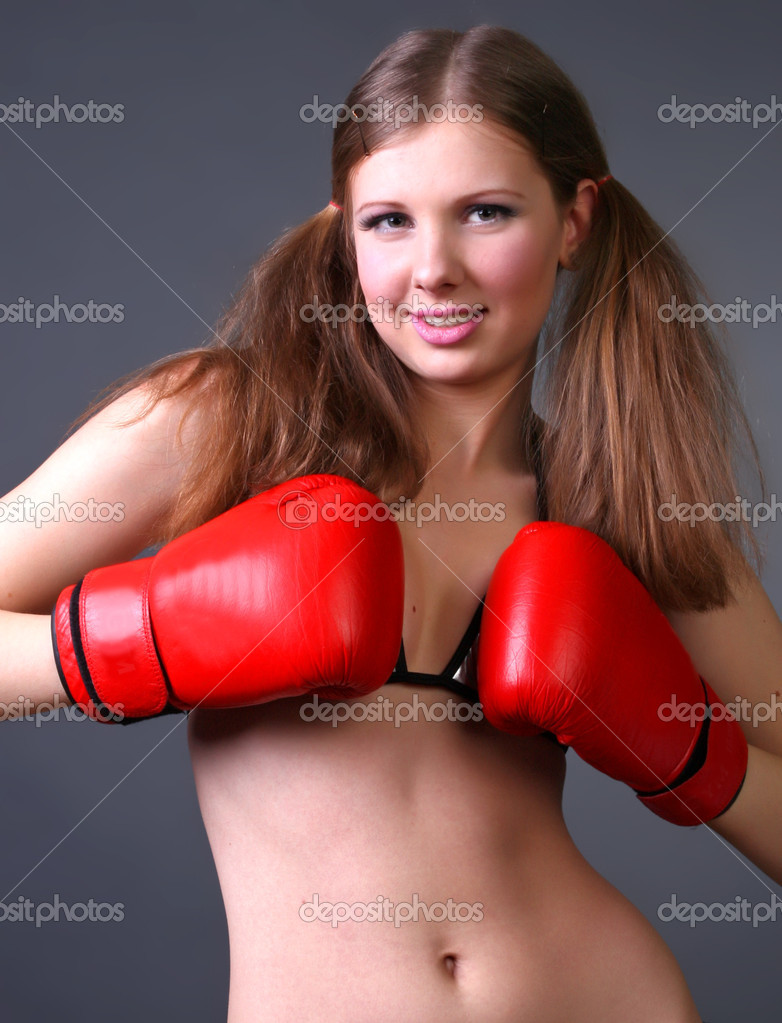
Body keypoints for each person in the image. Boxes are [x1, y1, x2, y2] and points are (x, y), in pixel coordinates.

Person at [2, 24, 781, 1022]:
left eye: (485, 212)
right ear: (342, 230)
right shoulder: (218, 422)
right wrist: (135, 639)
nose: (433, 269)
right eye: (389, 222)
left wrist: (690, 759)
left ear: (574, 221)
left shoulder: (612, 493)